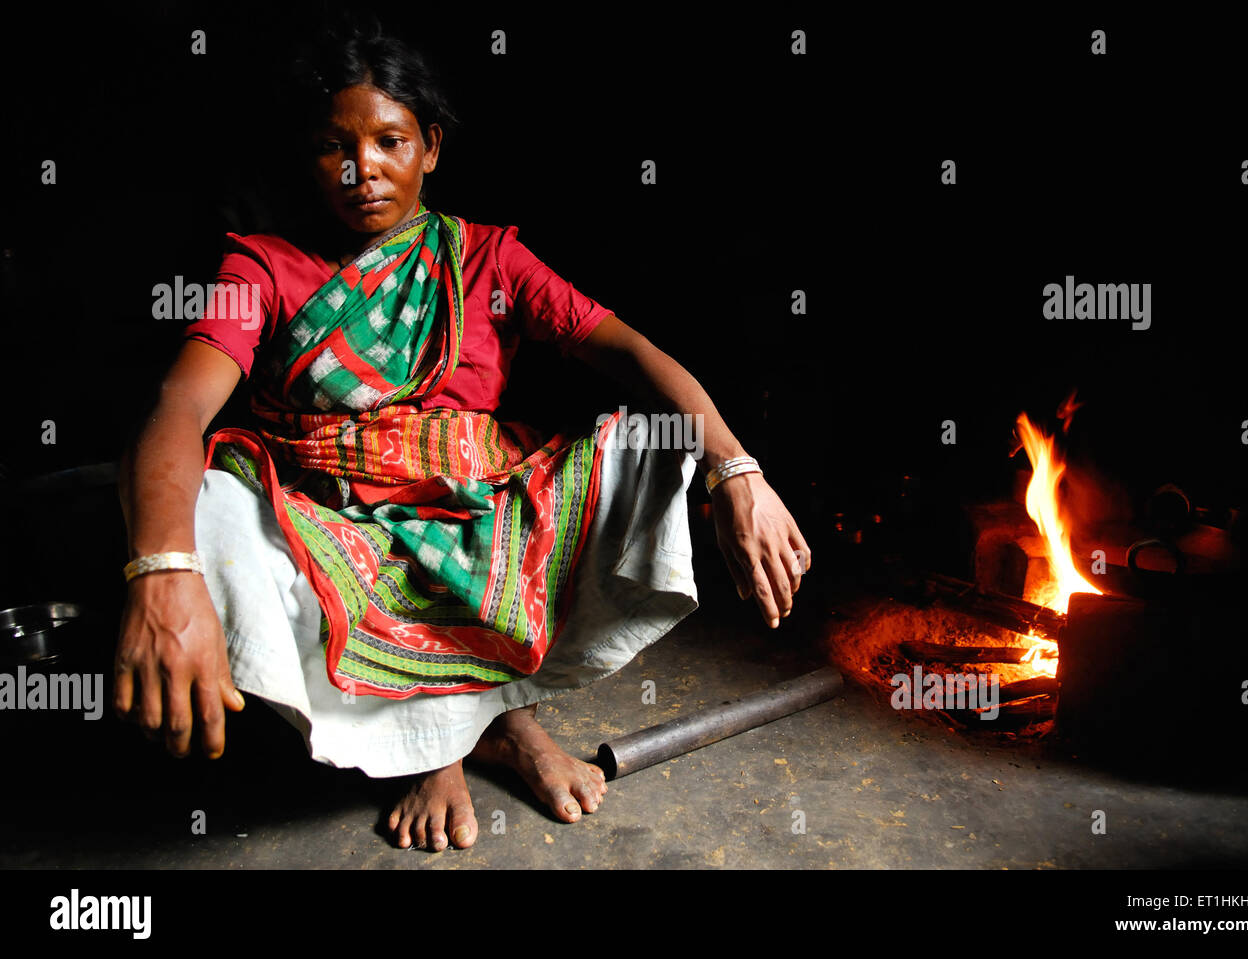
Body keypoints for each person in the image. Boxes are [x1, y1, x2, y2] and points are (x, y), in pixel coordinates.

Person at [114, 23, 811, 852]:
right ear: (308, 158)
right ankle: (441, 747)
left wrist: (737, 470)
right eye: (334, 147)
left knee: (658, 445)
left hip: (483, 513)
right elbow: (179, 408)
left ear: (430, 148)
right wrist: (161, 571)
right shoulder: (260, 269)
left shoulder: (482, 257)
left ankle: (495, 725)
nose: (361, 168)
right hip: (330, 527)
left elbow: (627, 350)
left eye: (389, 141)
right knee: (216, 509)